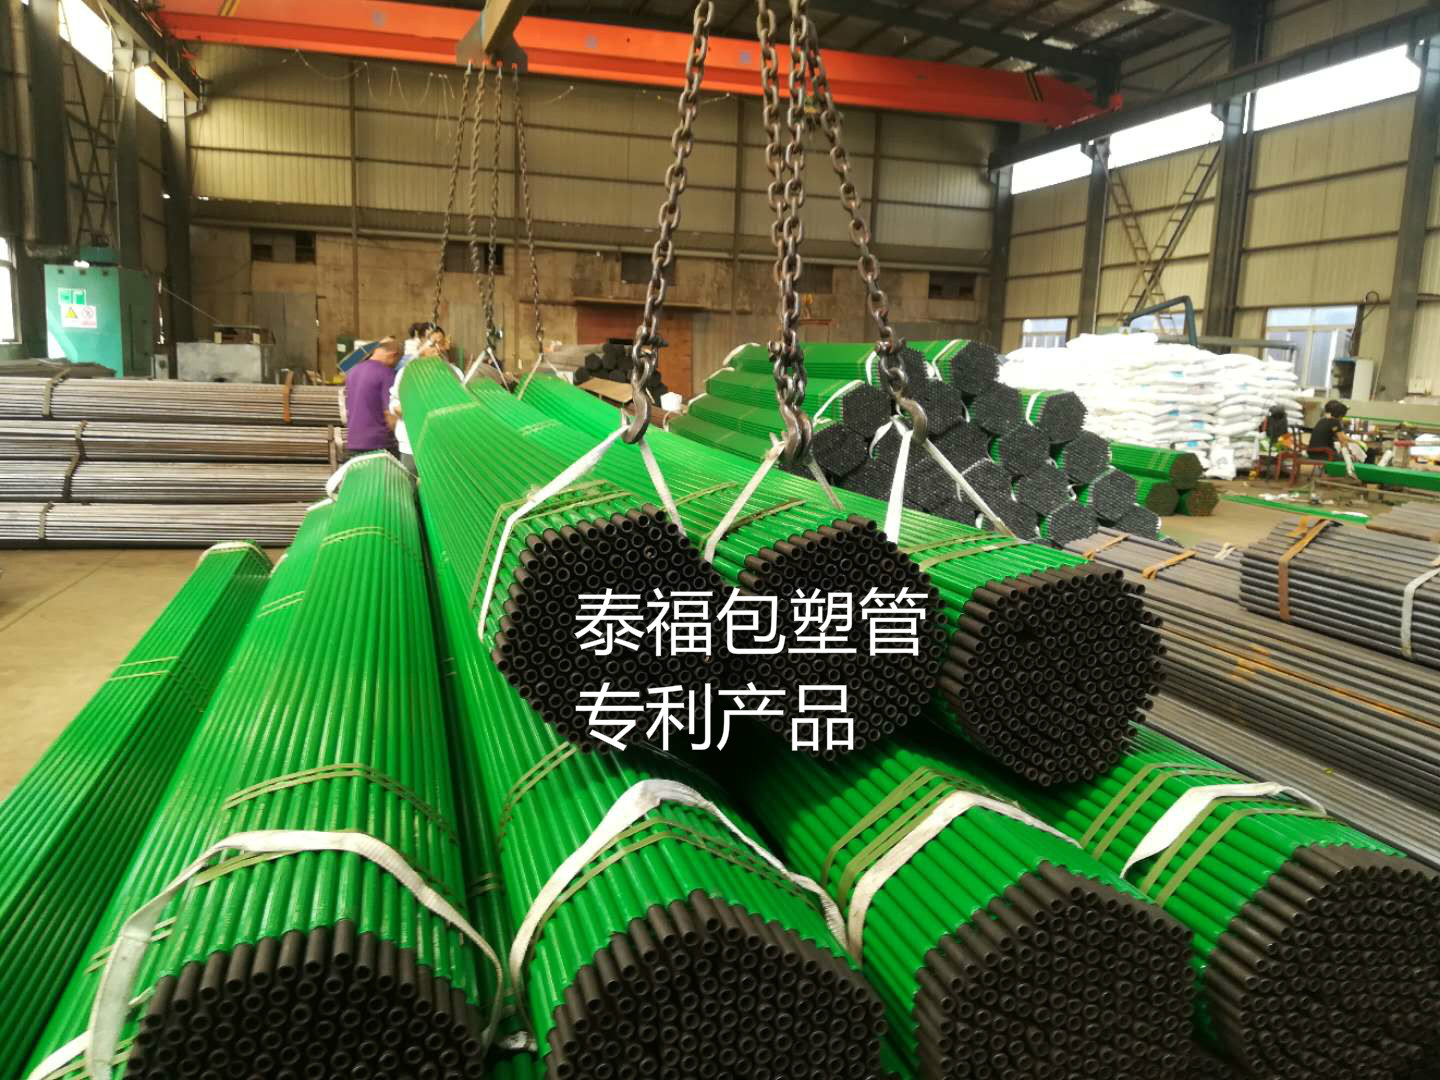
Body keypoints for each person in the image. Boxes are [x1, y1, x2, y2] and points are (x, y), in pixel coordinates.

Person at [343, 337, 402, 459]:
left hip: (353, 441)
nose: (395, 364)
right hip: (379, 444)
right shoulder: (386, 373)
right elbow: (390, 413)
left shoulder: (353, 371)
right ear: (393, 355)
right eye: (397, 360)